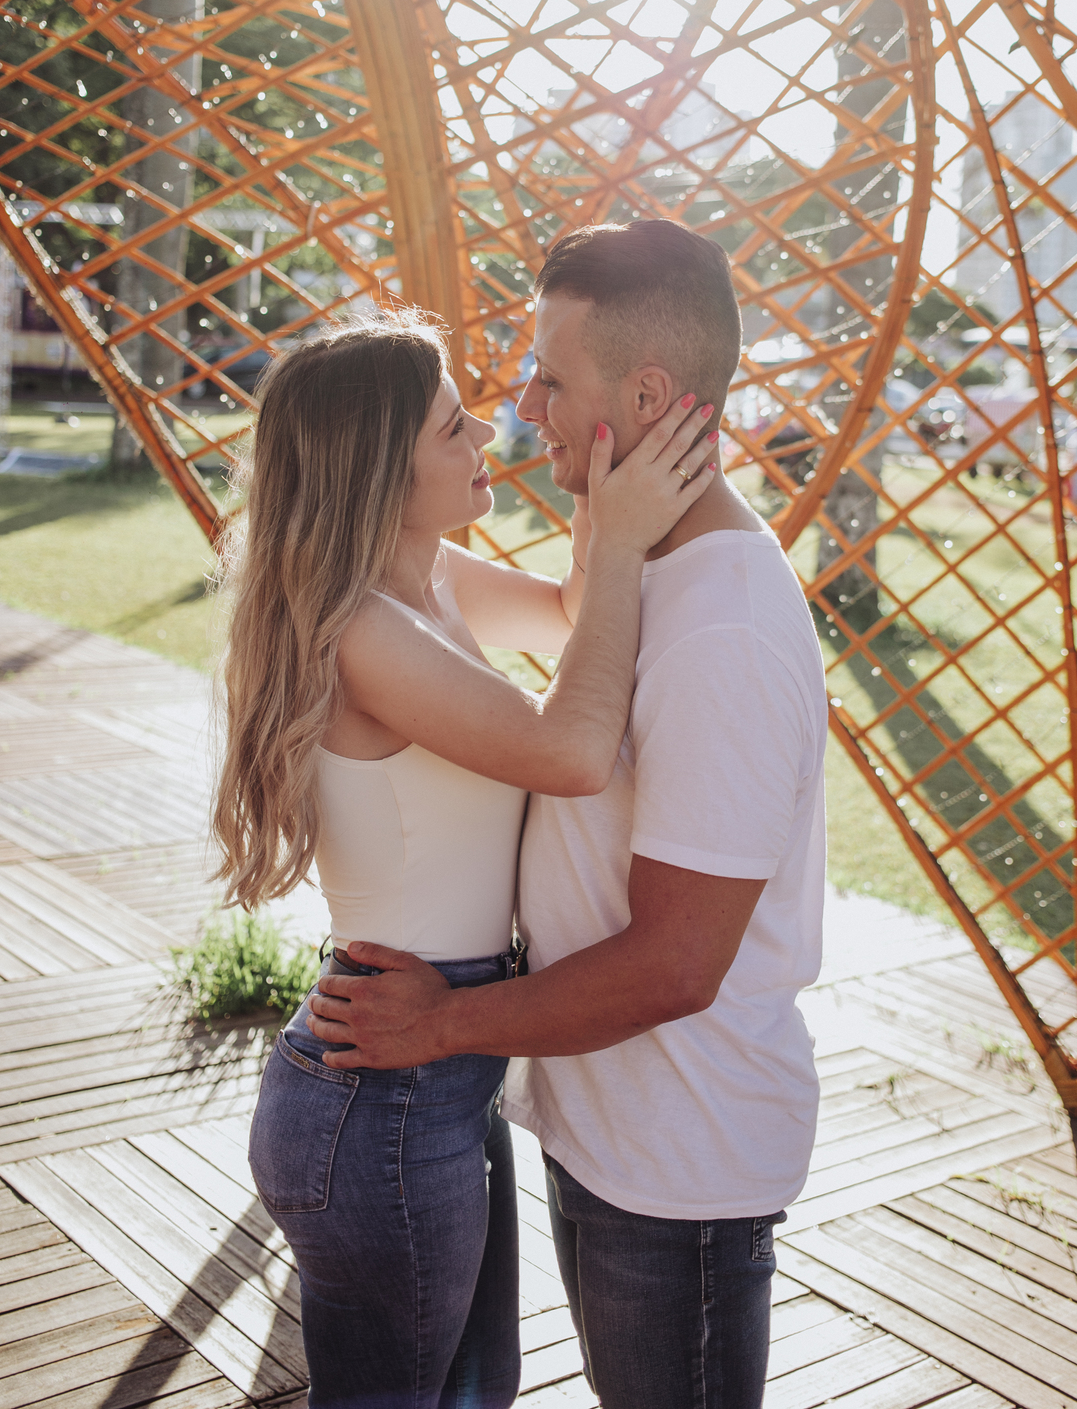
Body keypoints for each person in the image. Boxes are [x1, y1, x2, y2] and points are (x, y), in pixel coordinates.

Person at [309, 221, 829, 1409]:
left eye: (551, 378)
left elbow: (678, 964)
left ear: (643, 398)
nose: (524, 406)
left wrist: (447, 1025)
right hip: (607, 1123)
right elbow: (566, 621)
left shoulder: (724, 629)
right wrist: (610, 532)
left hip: (678, 1153)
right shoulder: (648, 582)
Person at [211, 307, 715, 1409]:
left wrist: (599, 500)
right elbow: (569, 751)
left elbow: (576, 613)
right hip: (383, 1093)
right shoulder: (363, 630)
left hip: (438, 1054)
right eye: (452, 427)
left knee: (474, 1393)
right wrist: (620, 543)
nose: (488, 431)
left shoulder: (429, 578)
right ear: (379, 471)